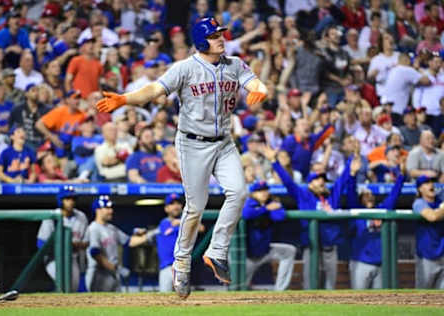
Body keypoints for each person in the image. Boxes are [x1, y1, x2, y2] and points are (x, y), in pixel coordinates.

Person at [95, 17, 267, 298]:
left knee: (239, 191)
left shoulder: (234, 64)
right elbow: (153, 90)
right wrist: (125, 99)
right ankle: (182, 262)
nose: (221, 39)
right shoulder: (185, 68)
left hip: (224, 142)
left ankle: (217, 251)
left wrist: (260, 90)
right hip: (192, 144)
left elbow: (258, 84)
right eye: (214, 36)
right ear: (201, 41)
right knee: (195, 207)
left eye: (221, 34)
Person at [263, 146, 361, 290]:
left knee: (330, 288)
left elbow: (342, 180)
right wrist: (274, 161)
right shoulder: (303, 195)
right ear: (309, 184)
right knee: (310, 286)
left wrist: (351, 164)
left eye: (322, 179)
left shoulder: (332, 195)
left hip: (329, 247)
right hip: (311, 247)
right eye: (317, 180)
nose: (321, 182)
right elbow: (288, 182)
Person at [346, 166, 405, 289]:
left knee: (380, 301)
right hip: (361, 262)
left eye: (371, 194)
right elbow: (350, 192)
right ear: (360, 198)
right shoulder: (357, 211)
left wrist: (401, 176)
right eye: (365, 194)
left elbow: (394, 195)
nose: (369, 196)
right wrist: (352, 174)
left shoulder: (381, 209)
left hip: (381, 263)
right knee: (358, 301)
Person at [85, 195, 156, 292]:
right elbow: (95, 253)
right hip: (99, 274)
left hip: (113, 273)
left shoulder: (111, 228)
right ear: (98, 210)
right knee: (99, 305)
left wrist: (149, 235)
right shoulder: (93, 228)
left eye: (110, 208)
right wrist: (116, 268)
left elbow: (129, 241)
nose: (111, 211)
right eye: (107, 208)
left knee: (116, 304)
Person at [242, 180, 296, 291]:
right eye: (259, 191)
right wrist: (266, 209)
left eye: (265, 190)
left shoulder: (272, 203)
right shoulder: (249, 202)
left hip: (265, 250)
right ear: (253, 193)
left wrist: (268, 208)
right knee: (238, 288)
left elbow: (280, 216)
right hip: (247, 256)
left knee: (289, 251)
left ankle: (280, 290)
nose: (264, 192)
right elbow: (246, 213)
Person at [37, 186, 88, 292]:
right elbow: (41, 243)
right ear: (61, 200)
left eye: (73, 199)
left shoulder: (81, 216)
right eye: (67, 199)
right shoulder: (52, 216)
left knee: (73, 288)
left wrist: (78, 245)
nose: (71, 202)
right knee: (64, 284)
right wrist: (62, 246)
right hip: (54, 259)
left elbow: (86, 241)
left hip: (73, 258)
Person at [412, 176, 444, 289]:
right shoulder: (419, 203)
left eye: (431, 182)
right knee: (423, 296)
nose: (431, 185)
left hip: (442, 253)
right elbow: (432, 216)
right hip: (426, 255)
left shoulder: (440, 202)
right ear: (420, 189)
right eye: (426, 183)